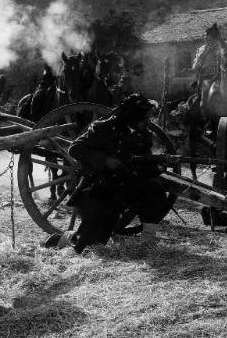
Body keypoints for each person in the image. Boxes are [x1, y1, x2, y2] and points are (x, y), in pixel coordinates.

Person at [45, 94, 172, 253]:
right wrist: (105, 160)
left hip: (124, 186)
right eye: (144, 117)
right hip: (98, 190)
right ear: (133, 115)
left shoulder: (143, 134)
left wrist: (160, 164)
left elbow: (144, 166)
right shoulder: (103, 128)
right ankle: (62, 240)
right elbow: (76, 149)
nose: (147, 121)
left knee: (155, 190)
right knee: (90, 245)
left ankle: (148, 240)